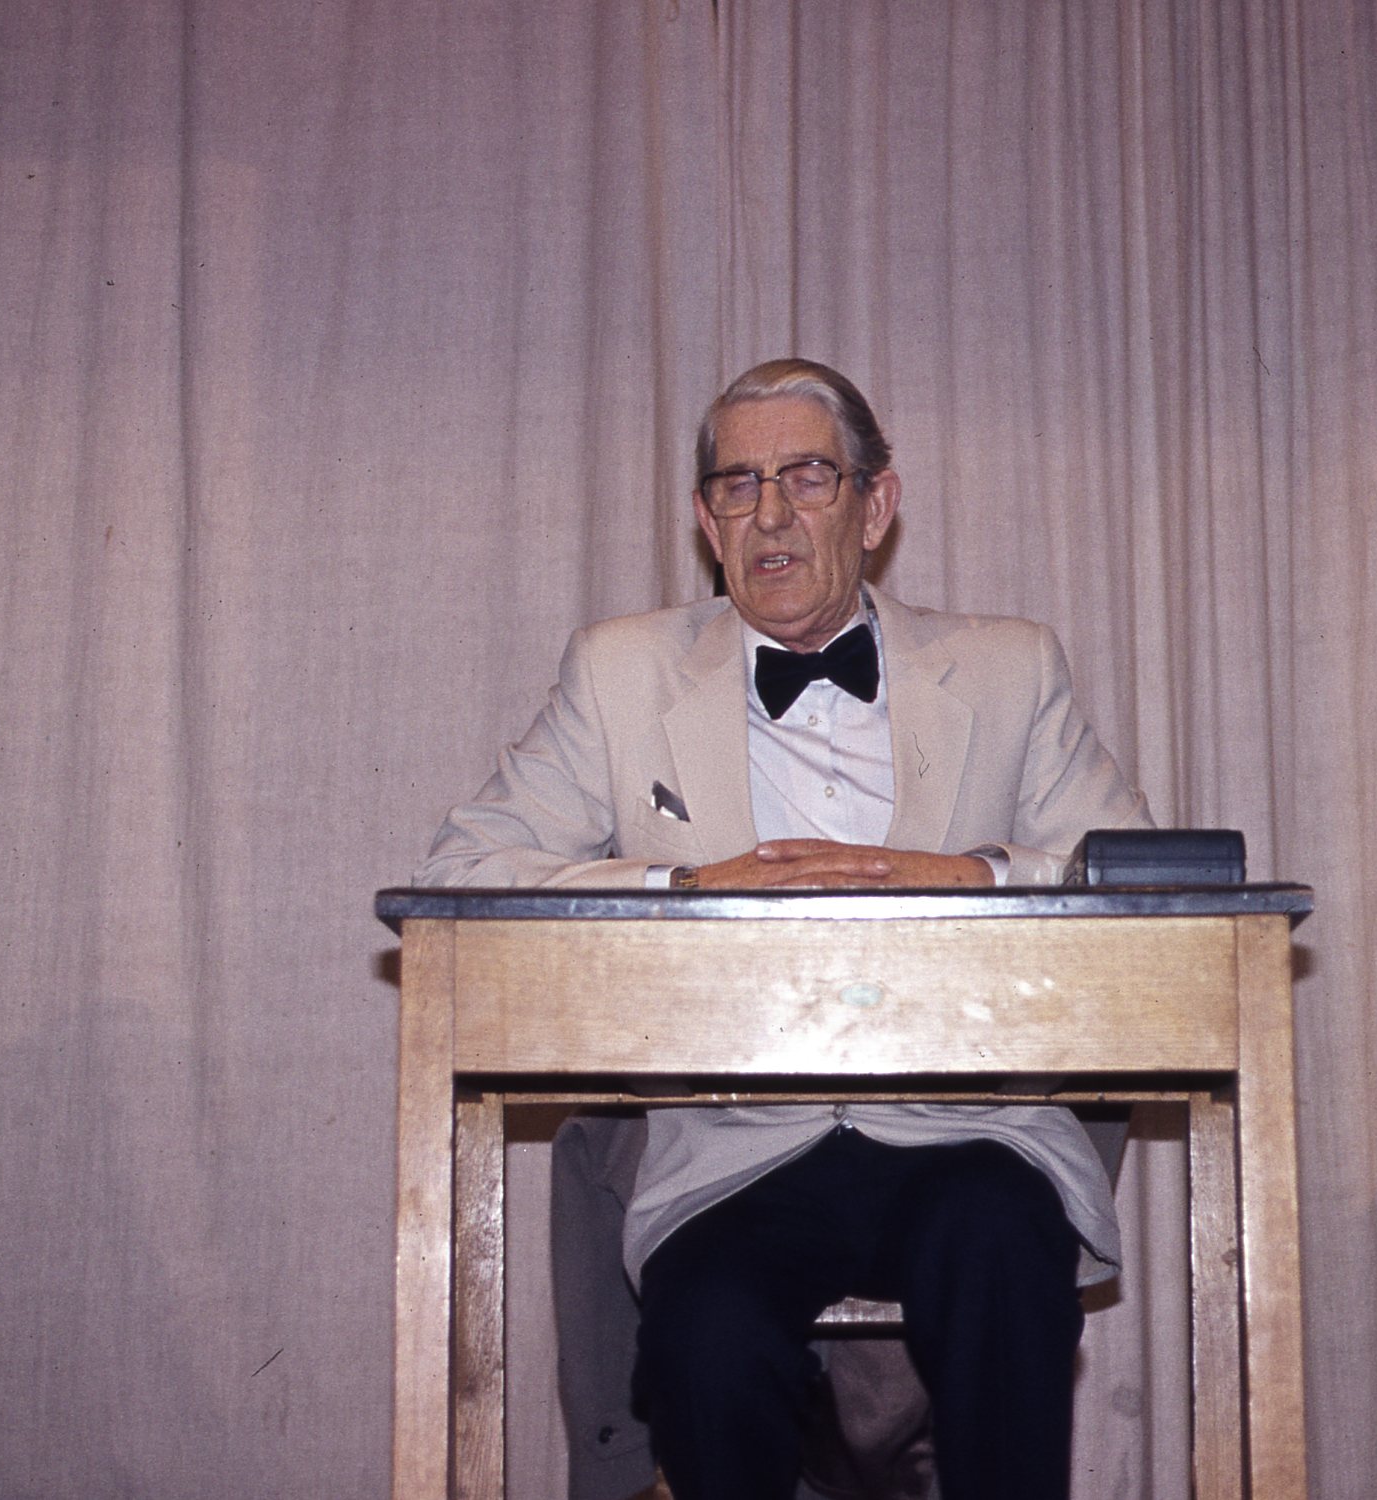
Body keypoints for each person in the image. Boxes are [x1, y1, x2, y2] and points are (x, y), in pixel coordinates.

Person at [416, 358, 1150, 1500]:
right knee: (705, 1339)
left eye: (807, 478)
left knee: (1005, 1248)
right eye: (739, 485)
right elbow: (464, 874)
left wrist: (964, 874)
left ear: (876, 503)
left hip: (967, 1130)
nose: (770, 515)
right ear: (705, 518)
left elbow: (1132, 886)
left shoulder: (1010, 667)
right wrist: (688, 886)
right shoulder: (619, 673)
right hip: (732, 1148)